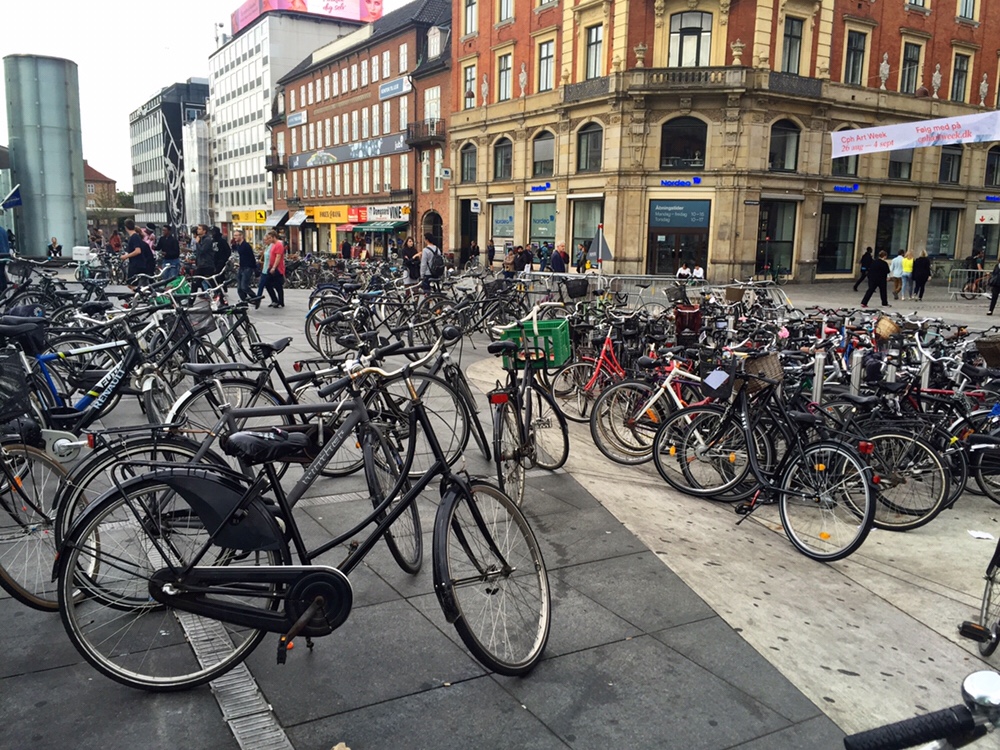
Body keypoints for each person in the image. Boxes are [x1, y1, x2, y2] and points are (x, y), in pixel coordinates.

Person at [121, 219, 154, 284]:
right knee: (133, 284)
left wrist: (126, 256)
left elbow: (138, 251)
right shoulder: (135, 237)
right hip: (137, 264)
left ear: (126, 227)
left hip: (136, 265)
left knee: (131, 284)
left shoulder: (134, 237)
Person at [232, 229, 256, 301]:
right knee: (239, 288)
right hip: (241, 267)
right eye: (234, 235)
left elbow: (251, 257)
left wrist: (254, 268)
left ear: (241, 236)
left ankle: (255, 298)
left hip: (247, 267)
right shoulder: (238, 245)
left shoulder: (246, 245)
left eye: (236, 235)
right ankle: (244, 301)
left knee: (244, 286)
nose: (234, 237)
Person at [265, 232, 286, 308]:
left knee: (278, 286)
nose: (269, 239)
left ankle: (280, 301)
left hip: (277, 268)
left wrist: (274, 267)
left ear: (274, 237)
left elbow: (278, 257)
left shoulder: (279, 244)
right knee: (267, 284)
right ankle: (274, 300)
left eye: (270, 238)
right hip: (271, 267)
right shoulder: (273, 245)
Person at [193, 224, 216, 288]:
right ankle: (192, 297)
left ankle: (220, 294)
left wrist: (197, 243)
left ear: (204, 231)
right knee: (195, 281)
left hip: (206, 264)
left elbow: (202, 250)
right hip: (201, 264)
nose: (198, 230)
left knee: (211, 281)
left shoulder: (207, 240)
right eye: (198, 229)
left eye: (200, 229)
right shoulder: (201, 239)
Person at [256, 232, 276, 307]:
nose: (264, 242)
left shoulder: (272, 246)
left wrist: (272, 267)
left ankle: (257, 300)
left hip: (268, 268)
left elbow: (272, 257)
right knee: (268, 286)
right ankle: (275, 300)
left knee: (261, 285)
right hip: (264, 268)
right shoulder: (267, 246)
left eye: (265, 240)